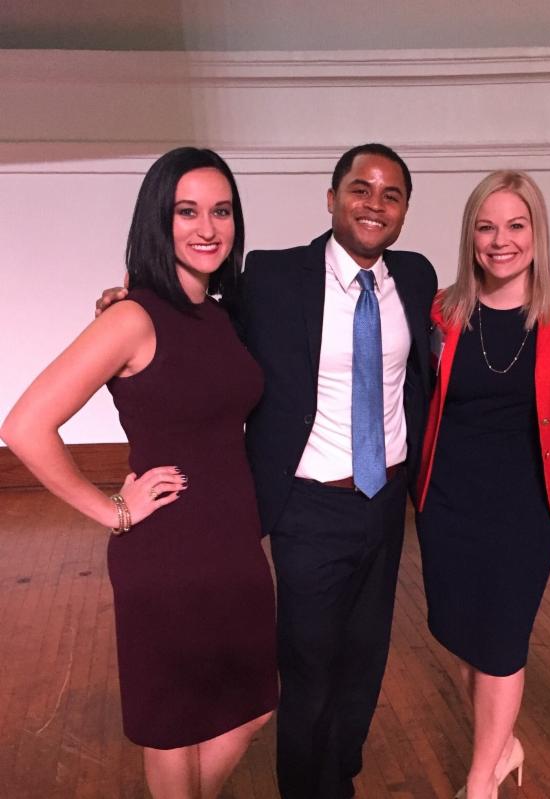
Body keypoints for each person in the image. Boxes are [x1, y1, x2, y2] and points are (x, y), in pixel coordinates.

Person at [98, 142, 437, 799]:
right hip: (308, 505)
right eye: (360, 189)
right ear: (332, 198)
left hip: (385, 502)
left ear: (403, 211)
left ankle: (339, 780)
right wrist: (132, 299)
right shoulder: (274, 276)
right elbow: (198, 320)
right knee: (307, 668)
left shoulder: (416, 277)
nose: (374, 204)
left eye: (391, 195)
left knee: (364, 660)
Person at [2, 147, 279, 799]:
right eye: (187, 211)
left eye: (221, 211)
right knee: (175, 726)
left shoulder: (222, 315)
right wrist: (112, 509)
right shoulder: (132, 317)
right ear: (159, 219)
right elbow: (24, 425)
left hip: (235, 545)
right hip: (168, 552)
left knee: (252, 706)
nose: (207, 227)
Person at [415, 170, 550, 799]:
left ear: (537, 232)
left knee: (500, 643)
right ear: (469, 236)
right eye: (486, 227)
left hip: (525, 506)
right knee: (462, 636)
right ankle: (505, 745)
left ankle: (480, 781)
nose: (501, 241)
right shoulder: (444, 310)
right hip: (447, 502)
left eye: (516, 226)